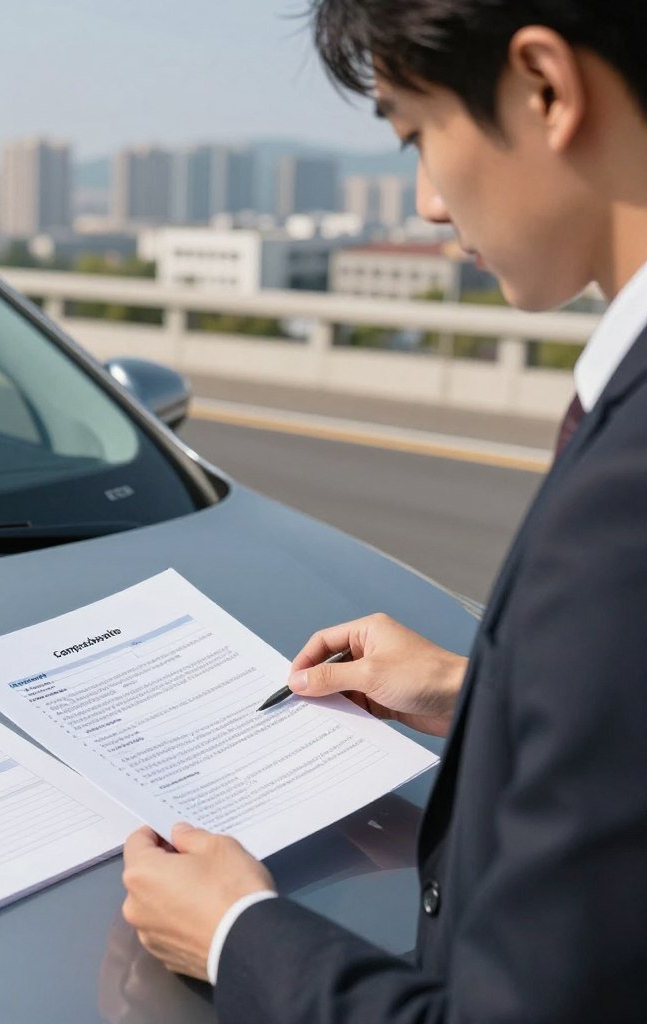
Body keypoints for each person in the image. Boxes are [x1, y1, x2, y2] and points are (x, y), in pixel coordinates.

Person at [120, 1, 647, 1020]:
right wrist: (479, 691)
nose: (431, 205)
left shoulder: (624, 501)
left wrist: (237, 934)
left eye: (416, 134)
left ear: (544, 87)